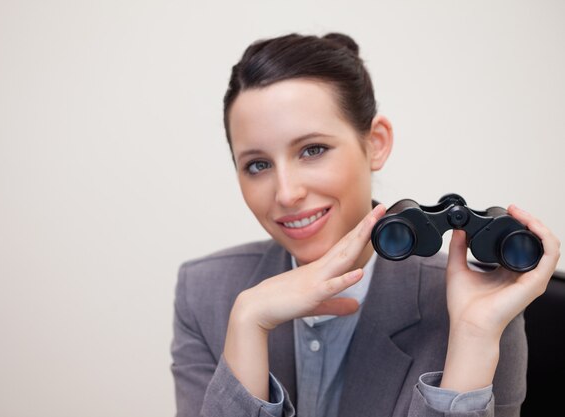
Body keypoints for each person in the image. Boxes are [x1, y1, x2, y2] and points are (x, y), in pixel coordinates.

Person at [170, 32, 560, 417]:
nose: (286, 193)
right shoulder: (204, 294)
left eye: (313, 150)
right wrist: (248, 323)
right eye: (258, 165)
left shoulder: (482, 308)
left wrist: (473, 339)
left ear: (375, 143)